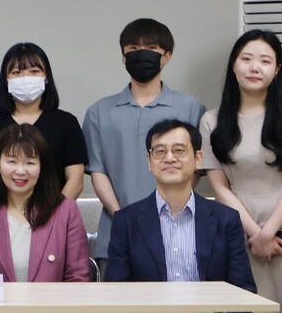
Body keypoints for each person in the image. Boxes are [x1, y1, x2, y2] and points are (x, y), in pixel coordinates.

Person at [200, 30, 282, 311]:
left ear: (277, 69)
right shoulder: (211, 120)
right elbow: (219, 187)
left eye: (265, 61)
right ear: (233, 64)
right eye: (246, 59)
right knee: (247, 302)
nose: (255, 67)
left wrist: (267, 234)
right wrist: (255, 234)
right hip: (239, 224)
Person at [82, 18, 205, 264]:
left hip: (178, 232)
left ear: (167, 56)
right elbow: (98, 171)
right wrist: (123, 217)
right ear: (123, 56)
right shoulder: (99, 112)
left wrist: (168, 212)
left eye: (150, 48)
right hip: (116, 233)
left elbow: (195, 170)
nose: (141, 54)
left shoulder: (191, 108)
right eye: (133, 49)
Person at [106, 119, 255, 292]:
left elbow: (243, 290)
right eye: (160, 151)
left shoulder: (226, 219)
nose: (169, 158)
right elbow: (116, 292)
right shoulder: (126, 221)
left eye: (179, 150)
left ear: (198, 158)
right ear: (149, 161)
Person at [0, 123, 89, 282]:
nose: (20, 171)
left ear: (41, 167)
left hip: (54, 299)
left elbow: (78, 277)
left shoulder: (66, 211)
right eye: (12, 161)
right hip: (0, 300)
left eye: (30, 163)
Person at [0, 43, 88, 199]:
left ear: (47, 77)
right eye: (16, 72)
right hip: (3, 211)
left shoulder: (66, 123)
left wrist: (57, 212)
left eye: (34, 71)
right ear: (6, 80)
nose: (26, 79)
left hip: (55, 210)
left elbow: (75, 181)